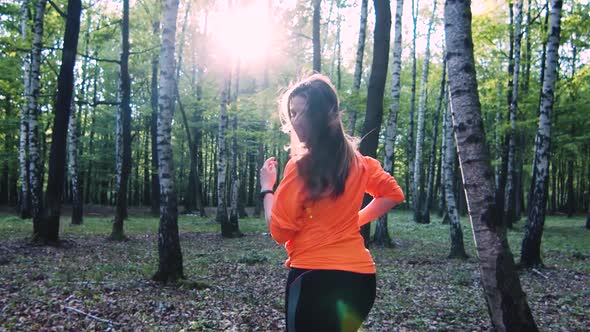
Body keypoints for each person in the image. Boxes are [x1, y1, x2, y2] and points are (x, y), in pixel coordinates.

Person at [259, 74, 404, 332]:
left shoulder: (300, 167)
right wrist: (352, 222)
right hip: (360, 281)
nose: (296, 121)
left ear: (327, 116)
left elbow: (280, 231)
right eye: (292, 112)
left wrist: (266, 188)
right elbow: (391, 195)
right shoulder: (361, 163)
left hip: (314, 278)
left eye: (305, 113)